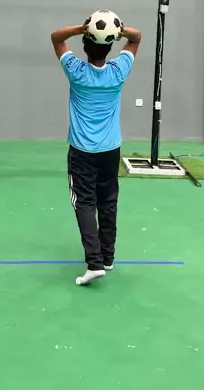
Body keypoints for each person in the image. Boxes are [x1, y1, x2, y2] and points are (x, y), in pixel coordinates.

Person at [51, 20, 141, 286]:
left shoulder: (76, 71)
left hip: (82, 152)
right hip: (110, 150)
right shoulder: (118, 71)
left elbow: (56, 38)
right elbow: (136, 38)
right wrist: (118, 30)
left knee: (84, 203)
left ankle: (94, 263)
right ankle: (107, 256)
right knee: (108, 202)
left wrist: (82, 28)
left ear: (85, 48)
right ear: (110, 47)